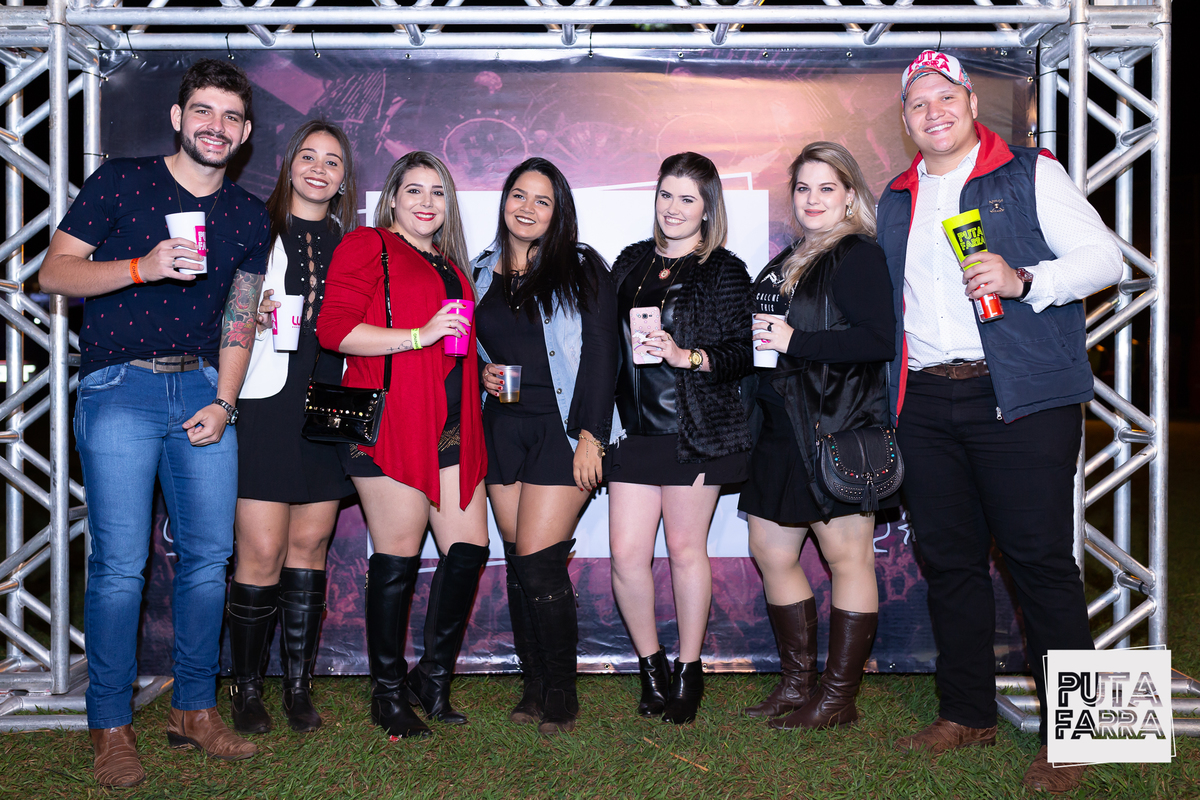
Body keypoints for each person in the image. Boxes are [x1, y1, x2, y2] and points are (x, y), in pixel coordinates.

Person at [878, 51, 1122, 792]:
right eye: (918, 103)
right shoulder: (897, 196)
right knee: (949, 563)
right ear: (906, 119)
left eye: (945, 97)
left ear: (972, 102)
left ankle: (1078, 736)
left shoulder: (1029, 172)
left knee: (1039, 563)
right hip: (926, 402)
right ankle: (966, 713)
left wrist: (1027, 280)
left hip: (1018, 398)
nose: (933, 112)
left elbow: (1105, 259)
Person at [40, 59, 269, 788]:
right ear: (177, 117)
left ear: (246, 133)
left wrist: (225, 401)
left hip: (202, 388)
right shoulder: (120, 182)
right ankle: (111, 724)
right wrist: (141, 266)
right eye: (203, 111)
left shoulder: (248, 216)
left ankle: (193, 709)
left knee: (209, 558)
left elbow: (240, 320)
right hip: (120, 388)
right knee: (119, 566)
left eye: (231, 116)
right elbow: (54, 273)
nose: (215, 127)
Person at [317, 151, 488, 741]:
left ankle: (431, 680)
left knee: (468, 549)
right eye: (414, 190)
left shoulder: (449, 262)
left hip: (450, 424)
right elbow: (335, 331)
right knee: (398, 556)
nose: (426, 202)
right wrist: (420, 335)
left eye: (437, 192)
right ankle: (387, 694)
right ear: (392, 197)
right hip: (389, 421)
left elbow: (453, 346)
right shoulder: (367, 244)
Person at [741, 142, 897, 730]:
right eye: (803, 188)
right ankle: (796, 684)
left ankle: (838, 698)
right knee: (771, 551)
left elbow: (878, 339)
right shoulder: (791, 257)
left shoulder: (857, 254)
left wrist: (796, 341)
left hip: (835, 427)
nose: (812, 199)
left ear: (850, 195)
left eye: (826, 188)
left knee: (846, 558)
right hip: (781, 430)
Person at [472, 158, 619, 734]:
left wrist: (592, 436)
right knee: (518, 564)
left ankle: (562, 691)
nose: (527, 208)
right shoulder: (478, 270)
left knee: (538, 562)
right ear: (504, 200)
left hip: (563, 429)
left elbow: (603, 352)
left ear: (558, 212)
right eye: (519, 195)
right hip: (502, 427)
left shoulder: (580, 266)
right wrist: (483, 371)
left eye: (542, 200)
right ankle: (533, 685)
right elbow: (469, 345)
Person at [607, 152, 752, 725]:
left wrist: (685, 355)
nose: (673, 207)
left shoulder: (724, 270)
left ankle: (690, 670)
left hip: (695, 432)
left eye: (687, 198)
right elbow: (603, 345)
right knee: (626, 556)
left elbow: (742, 354)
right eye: (666, 194)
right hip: (632, 431)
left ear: (707, 208)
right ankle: (652, 668)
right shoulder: (630, 261)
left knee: (686, 552)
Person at [225, 121, 358, 736]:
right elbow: (217, 307)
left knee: (310, 546)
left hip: (329, 404)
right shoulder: (255, 228)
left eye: (332, 161)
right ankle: (246, 688)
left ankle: (298, 689)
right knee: (260, 551)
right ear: (287, 164)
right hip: (265, 402)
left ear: (344, 178)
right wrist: (248, 313)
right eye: (309, 156)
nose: (319, 169)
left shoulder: (353, 244)